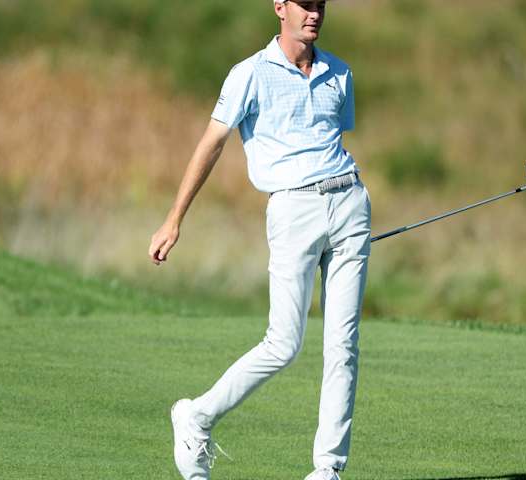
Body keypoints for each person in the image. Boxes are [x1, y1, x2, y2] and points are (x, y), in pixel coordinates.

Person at [147, 0, 370, 478]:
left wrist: (347, 210)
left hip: (349, 201)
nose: (314, 13)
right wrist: (174, 219)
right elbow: (211, 143)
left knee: (343, 345)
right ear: (279, 7)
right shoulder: (249, 73)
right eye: (304, 4)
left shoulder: (340, 72)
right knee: (283, 343)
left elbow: (332, 140)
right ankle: (197, 416)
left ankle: (327, 470)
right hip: (292, 208)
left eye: (320, 5)